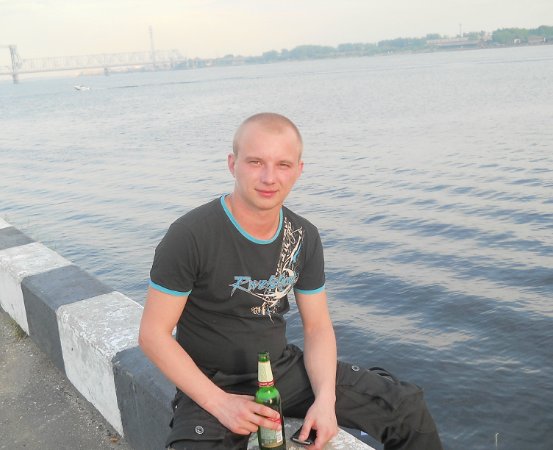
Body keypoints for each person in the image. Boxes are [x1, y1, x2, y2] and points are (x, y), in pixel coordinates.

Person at [139, 113, 443, 450]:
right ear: (233, 164)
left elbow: (317, 326)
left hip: (279, 370)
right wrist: (219, 402)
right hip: (211, 381)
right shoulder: (191, 235)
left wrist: (325, 400)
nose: (269, 178)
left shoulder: (303, 236)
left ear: (298, 170)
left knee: (405, 409)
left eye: (283, 165)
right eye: (255, 162)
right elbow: (153, 334)